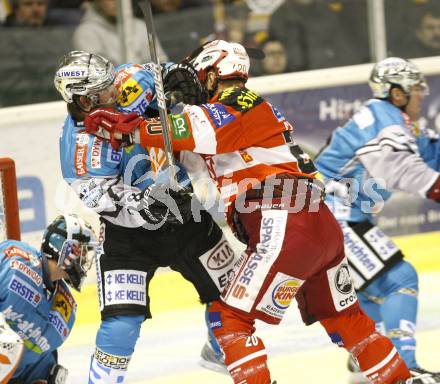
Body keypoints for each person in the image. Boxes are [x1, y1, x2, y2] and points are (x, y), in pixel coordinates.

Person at [82, 40, 420, 384]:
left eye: (200, 76)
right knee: (347, 319)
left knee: (232, 320)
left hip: (284, 220)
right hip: (318, 224)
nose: (194, 84)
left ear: (215, 74)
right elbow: (186, 154)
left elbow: (189, 130)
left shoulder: (241, 101)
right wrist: (150, 114)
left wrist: (131, 129)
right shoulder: (228, 122)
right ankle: (401, 380)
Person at [53, 50, 239, 383]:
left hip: (185, 212)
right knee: (122, 322)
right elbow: (98, 197)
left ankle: (221, 350)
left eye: (113, 85)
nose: (116, 94)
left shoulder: (129, 81)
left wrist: (178, 77)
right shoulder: (78, 146)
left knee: (231, 291)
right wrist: (141, 202)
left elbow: (162, 71)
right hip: (129, 236)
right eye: (105, 93)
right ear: (83, 100)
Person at [313, 57, 440, 383]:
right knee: (399, 278)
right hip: (329, 215)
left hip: (325, 216)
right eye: (415, 91)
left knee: (371, 292)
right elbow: (398, 167)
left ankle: (370, 362)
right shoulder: (382, 120)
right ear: (397, 93)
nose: (421, 96)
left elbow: (429, 152)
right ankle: (404, 370)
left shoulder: (394, 121)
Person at [0, 213, 97, 383]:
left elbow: (40, 356)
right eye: (82, 252)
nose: (84, 261)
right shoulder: (15, 258)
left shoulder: (67, 308)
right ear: (67, 248)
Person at [72, 0, 168, 65]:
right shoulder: (85, 32)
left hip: (148, 89)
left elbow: (161, 62)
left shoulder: (140, 26)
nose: (117, 2)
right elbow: (96, 77)